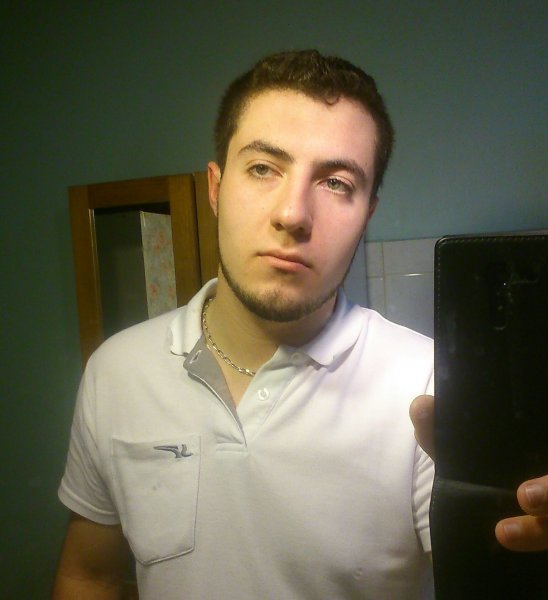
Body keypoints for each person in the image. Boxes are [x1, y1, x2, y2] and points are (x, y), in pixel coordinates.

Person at [53, 50, 548, 600]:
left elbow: (496, 573)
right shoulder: (116, 371)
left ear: (367, 213)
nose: (292, 214)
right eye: (263, 168)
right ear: (215, 187)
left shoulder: (430, 385)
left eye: (336, 182)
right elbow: (88, 575)